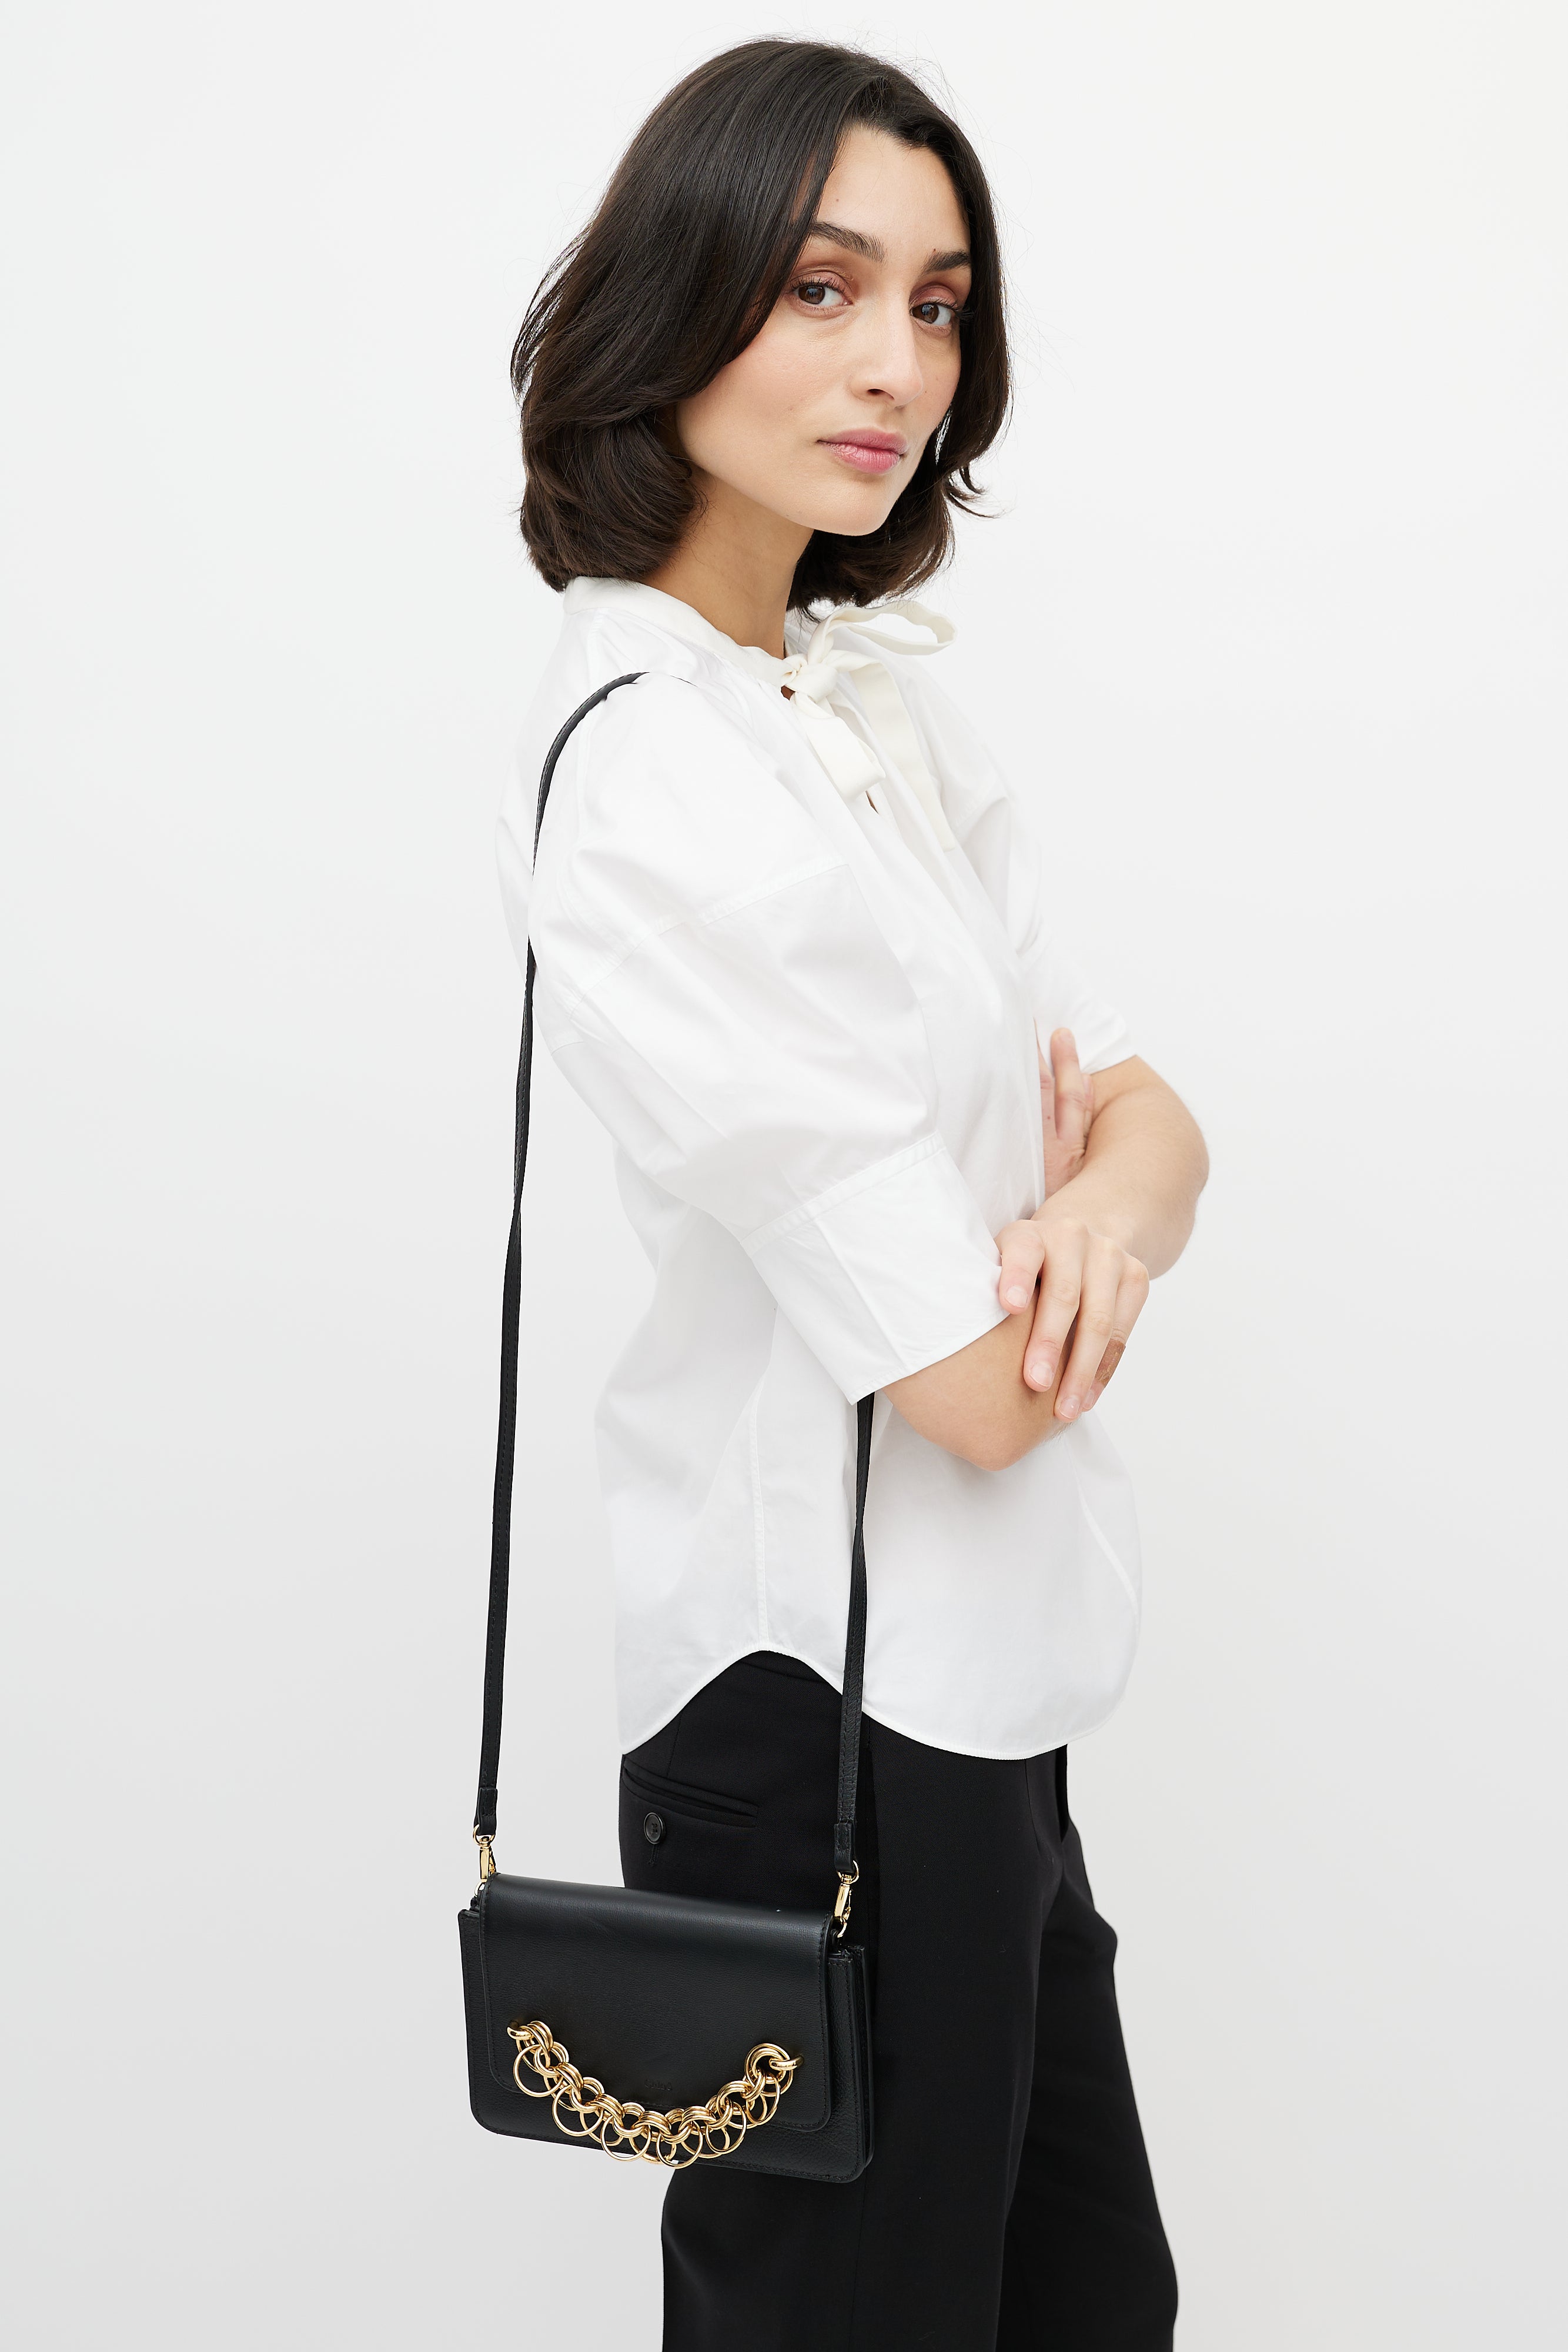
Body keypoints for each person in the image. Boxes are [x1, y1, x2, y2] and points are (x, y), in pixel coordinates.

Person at [496, 38, 1207, 2351]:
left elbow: (1148, 1111)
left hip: (979, 1698)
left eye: (936, 301)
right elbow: (971, 1393)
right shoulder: (653, 778)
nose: (896, 362)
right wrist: (1090, 1215)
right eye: (820, 287)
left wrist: (1100, 1214)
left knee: (1085, 2304)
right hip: (813, 1718)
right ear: (675, 296)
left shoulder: (865, 707)